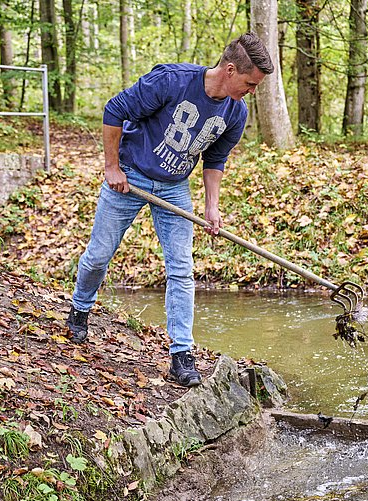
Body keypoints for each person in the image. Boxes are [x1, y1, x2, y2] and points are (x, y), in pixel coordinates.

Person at [66, 33, 274, 388]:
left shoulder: (235, 113)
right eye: (250, 83)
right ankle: (80, 309)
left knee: (181, 269)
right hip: (129, 176)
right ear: (229, 69)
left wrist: (212, 207)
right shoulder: (171, 81)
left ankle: (181, 356)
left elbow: (215, 158)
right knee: (99, 256)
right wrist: (112, 167)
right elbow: (114, 110)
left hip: (174, 188)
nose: (252, 92)